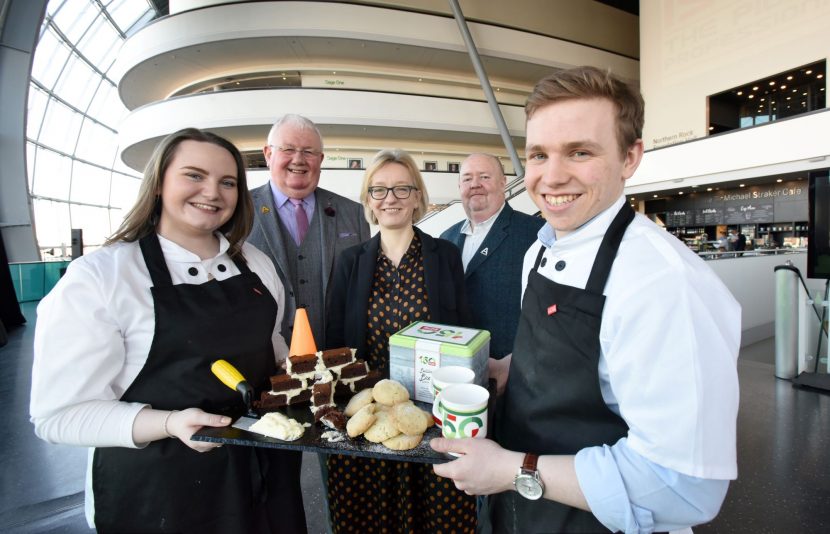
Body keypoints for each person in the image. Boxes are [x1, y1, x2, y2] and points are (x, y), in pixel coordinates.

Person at [431, 66, 741, 533]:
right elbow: (586, 360)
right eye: (538, 155)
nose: (552, 178)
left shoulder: (664, 283)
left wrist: (514, 470)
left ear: (630, 157)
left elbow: (683, 488)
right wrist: (510, 367)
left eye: (579, 152)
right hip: (523, 513)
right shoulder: (540, 247)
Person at [30, 128, 306, 533]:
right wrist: (168, 422)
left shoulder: (256, 264)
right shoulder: (102, 276)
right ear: (159, 183)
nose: (212, 192)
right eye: (194, 176)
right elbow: (59, 416)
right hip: (161, 491)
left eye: (227, 182)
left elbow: (274, 350)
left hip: (265, 473)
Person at [326, 149, 476, 532]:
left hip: (429, 413)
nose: (389, 198)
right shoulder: (350, 261)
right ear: (369, 202)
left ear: (417, 198)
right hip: (368, 412)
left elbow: (460, 333)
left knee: (437, 513)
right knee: (370, 513)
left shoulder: (445, 256)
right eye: (378, 190)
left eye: (401, 189)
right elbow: (334, 340)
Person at [248, 114, 370, 347]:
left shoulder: (354, 213)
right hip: (264, 359)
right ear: (268, 154)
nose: (298, 159)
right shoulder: (239, 210)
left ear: (320, 159)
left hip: (338, 357)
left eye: (308, 152)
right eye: (288, 149)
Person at [440, 153, 544, 358]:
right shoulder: (445, 239)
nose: (475, 184)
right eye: (467, 178)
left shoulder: (536, 234)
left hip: (514, 372)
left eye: (485, 177)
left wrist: (514, 362)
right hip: (456, 364)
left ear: (503, 182)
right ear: (459, 186)